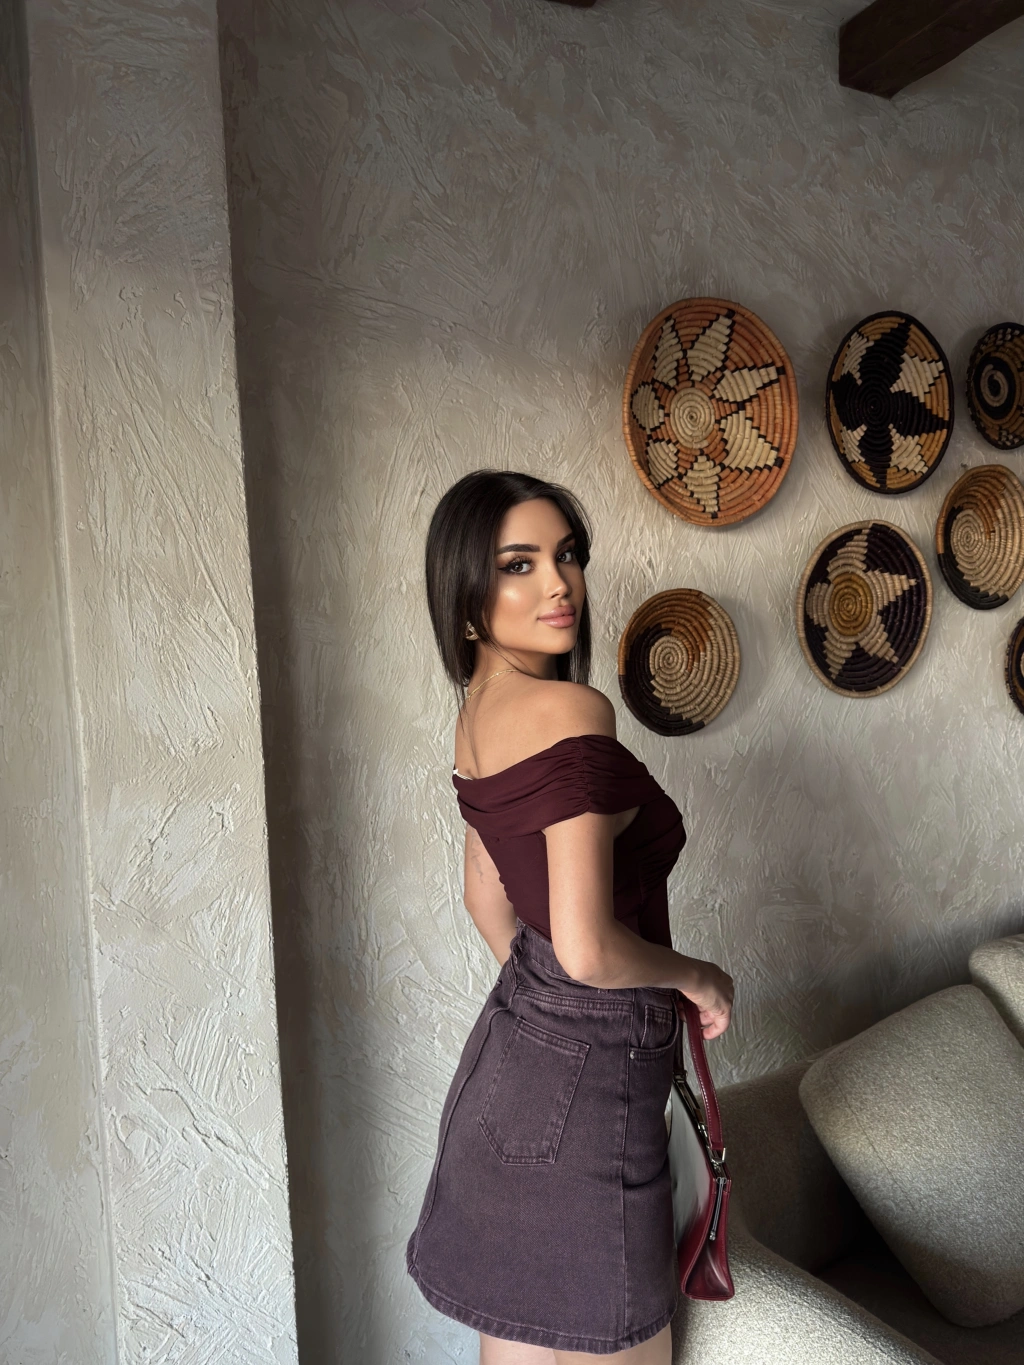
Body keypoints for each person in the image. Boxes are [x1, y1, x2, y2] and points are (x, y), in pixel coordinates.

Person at [406, 469, 734, 1364]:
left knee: (521, 1330)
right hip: (589, 1097)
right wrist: (698, 977)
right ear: (466, 602)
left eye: (568, 555)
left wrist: (548, 1010)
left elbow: (486, 898)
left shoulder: (477, 716)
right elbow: (587, 948)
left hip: (505, 1071)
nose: (559, 584)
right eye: (519, 564)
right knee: (618, 1332)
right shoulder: (570, 712)